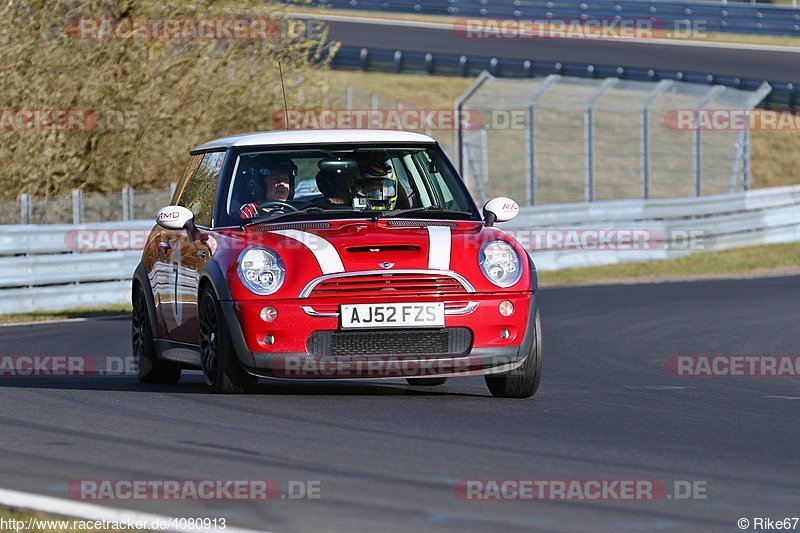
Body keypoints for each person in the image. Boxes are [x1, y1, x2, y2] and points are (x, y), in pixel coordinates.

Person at [238, 155, 297, 219]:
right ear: (261, 185)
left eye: (285, 179)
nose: (282, 184)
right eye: (275, 179)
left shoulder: (297, 211)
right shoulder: (249, 212)